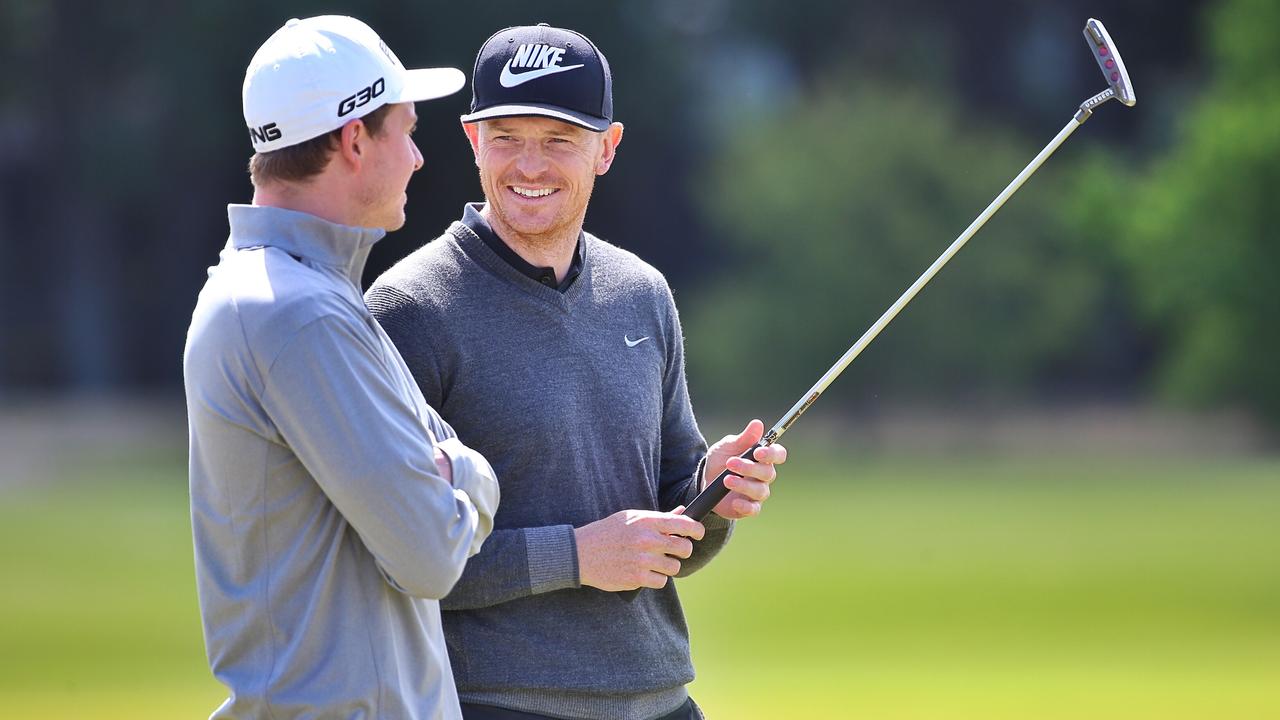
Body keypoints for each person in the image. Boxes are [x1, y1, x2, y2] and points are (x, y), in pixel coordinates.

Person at [365, 24, 786, 720]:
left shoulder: (642, 292)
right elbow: (392, 559)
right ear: (473, 141)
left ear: (606, 149)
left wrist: (712, 495)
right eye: (506, 137)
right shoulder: (411, 310)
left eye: (558, 139)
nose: (529, 166)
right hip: (494, 705)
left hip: (662, 697)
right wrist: (579, 556)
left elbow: (670, 532)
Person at [184, 16, 500, 720]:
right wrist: (471, 476)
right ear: (355, 138)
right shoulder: (301, 313)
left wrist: (444, 472)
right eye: (407, 131)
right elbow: (430, 554)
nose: (419, 157)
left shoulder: (294, 293)